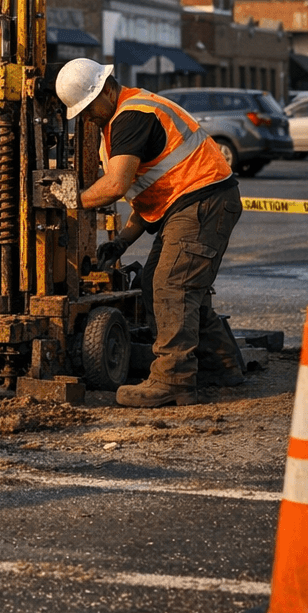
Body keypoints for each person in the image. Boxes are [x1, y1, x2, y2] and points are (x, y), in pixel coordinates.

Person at [56, 58, 245, 408]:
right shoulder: (125, 117)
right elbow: (149, 191)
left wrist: (70, 201)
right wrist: (121, 242)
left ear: (106, 89)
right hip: (199, 202)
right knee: (166, 286)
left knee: (172, 287)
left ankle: (173, 381)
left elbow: (115, 185)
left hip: (202, 203)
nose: (86, 117)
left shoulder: (131, 115)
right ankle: (222, 365)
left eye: (87, 108)